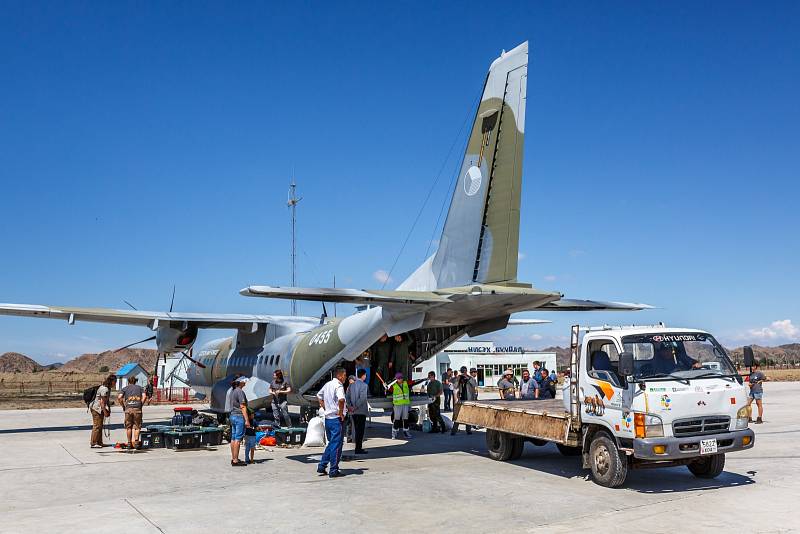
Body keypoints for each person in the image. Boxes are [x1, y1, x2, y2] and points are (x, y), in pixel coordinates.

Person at [317, 367, 347, 478]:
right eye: (344, 375)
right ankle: (333, 469)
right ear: (339, 376)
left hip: (328, 418)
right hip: (336, 419)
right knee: (337, 444)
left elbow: (319, 396)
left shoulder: (327, 384)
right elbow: (341, 399)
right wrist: (340, 412)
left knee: (332, 443)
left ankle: (322, 465)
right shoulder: (338, 385)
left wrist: (325, 407)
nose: (345, 378)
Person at [118, 376, 147, 449]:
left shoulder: (125, 388)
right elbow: (144, 396)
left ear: (128, 381)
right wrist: (141, 404)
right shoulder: (140, 388)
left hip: (128, 409)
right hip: (137, 409)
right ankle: (136, 443)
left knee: (128, 427)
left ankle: (129, 443)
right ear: (135, 381)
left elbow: (119, 397)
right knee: (137, 427)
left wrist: (123, 406)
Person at [229, 376, 250, 467]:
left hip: (232, 415)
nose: (245, 382)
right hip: (239, 417)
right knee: (238, 439)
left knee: (233, 438)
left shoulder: (233, 391)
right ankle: (236, 460)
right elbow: (243, 406)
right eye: (244, 380)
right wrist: (247, 420)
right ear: (240, 382)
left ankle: (233, 458)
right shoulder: (240, 391)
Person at [346, 369, 369, 454]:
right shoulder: (364, 385)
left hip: (353, 412)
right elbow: (362, 398)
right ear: (363, 375)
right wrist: (355, 407)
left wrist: (350, 406)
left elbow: (347, 397)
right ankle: (358, 448)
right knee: (360, 430)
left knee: (355, 429)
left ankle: (357, 448)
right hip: (361, 411)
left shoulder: (351, 386)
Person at [90, 374, 115, 448]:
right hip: (96, 409)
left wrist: (108, 407)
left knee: (100, 426)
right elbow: (102, 402)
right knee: (97, 426)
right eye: (115, 381)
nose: (115, 383)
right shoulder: (105, 389)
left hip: (99, 408)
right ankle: (93, 443)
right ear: (111, 381)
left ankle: (99, 442)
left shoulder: (107, 388)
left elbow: (105, 401)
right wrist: (105, 412)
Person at [451, 366, 477, 435]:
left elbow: (474, 385)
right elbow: (455, 386)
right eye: (462, 371)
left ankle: (468, 430)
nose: (463, 373)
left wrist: (467, 378)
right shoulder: (459, 378)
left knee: (468, 415)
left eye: (464, 371)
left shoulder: (470, 378)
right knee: (458, 415)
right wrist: (458, 379)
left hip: (469, 399)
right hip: (460, 399)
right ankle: (454, 431)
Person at [388, 372, 412, 439]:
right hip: (397, 404)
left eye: (401, 378)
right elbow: (388, 389)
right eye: (398, 378)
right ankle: (394, 433)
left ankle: (406, 432)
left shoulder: (406, 383)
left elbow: (413, 382)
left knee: (406, 419)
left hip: (405, 404)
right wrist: (386, 386)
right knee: (397, 419)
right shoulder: (393, 386)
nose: (400, 379)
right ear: (396, 379)